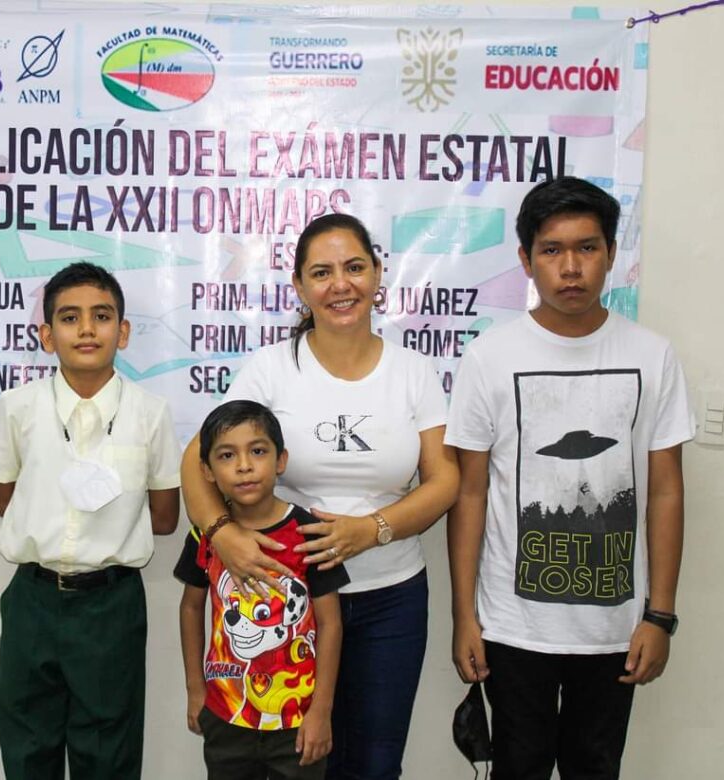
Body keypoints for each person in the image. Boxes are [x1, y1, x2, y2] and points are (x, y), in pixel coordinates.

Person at [180, 213, 460, 779]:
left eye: (355, 268)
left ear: (379, 275)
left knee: (375, 766)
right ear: (300, 288)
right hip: (286, 602)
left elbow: (445, 480)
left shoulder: (413, 371)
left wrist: (371, 529)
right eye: (322, 272)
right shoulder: (270, 369)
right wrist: (222, 533)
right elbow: (197, 458)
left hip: (391, 597)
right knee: (303, 766)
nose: (341, 285)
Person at [445, 176, 694, 780]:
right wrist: (464, 617)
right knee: (517, 768)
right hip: (513, 625)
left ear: (611, 253)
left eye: (588, 247)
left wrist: (659, 616)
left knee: (595, 769)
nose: (572, 267)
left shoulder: (651, 354)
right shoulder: (490, 357)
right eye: (552, 251)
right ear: (526, 260)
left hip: (614, 627)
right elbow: (470, 492)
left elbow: (665, 490)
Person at [0, 262, 181, 780]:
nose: (87, 329)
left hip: (110, 606)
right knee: (27, 743)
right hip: (33, 600)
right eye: (69, 318)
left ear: (124, 331)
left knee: (108, 750)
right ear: (47, 336)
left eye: (102, 316)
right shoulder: (19, 407)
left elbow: (164, 516)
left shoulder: (150, 413)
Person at [176, 400, 348, 779]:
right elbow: (190, 608)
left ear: (280, 460)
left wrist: (321, 711)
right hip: (227, 714)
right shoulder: (207, 537)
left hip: (298, 720)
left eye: (257, 451)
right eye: (226, 455)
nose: (243, 466)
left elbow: (331, 624)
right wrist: (195, 689)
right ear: (206, 470)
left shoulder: (309, 535)